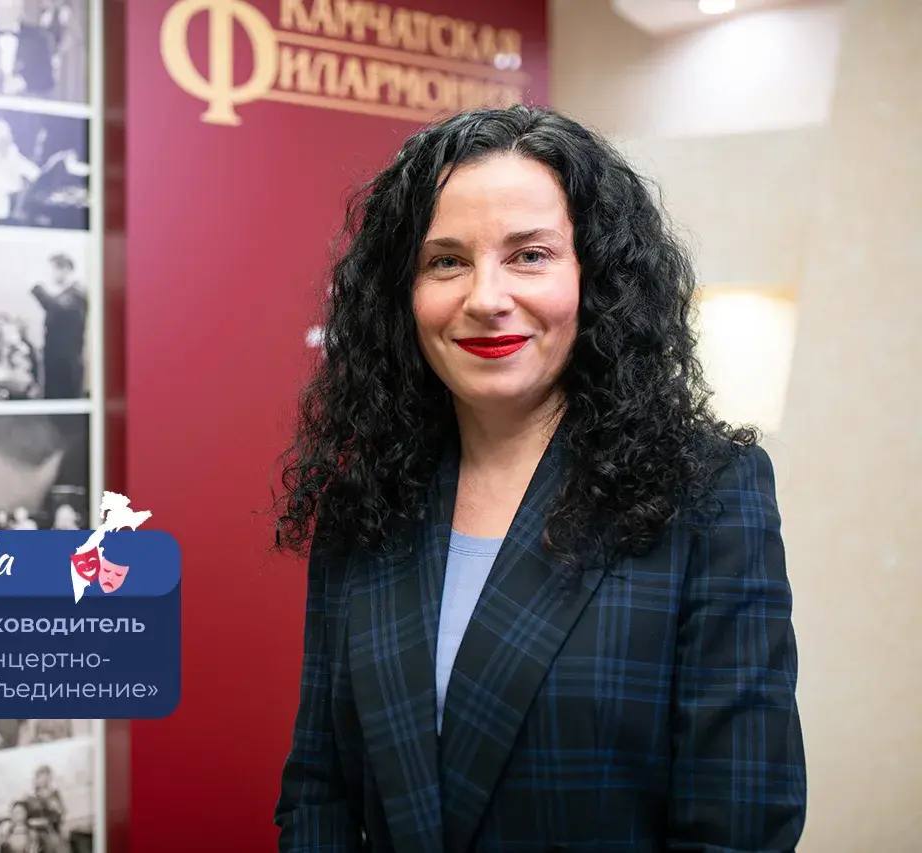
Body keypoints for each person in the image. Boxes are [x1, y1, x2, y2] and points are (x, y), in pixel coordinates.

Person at [272, 106, 806, 851]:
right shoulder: (366, 503)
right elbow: (318, 792)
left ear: (597, 277)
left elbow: (739, 821)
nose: (486, 298)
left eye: (529, 255)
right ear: (402, 293)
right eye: (446, 261)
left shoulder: (709, 495)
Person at [30, 253, 85, 399]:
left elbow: (56, 308)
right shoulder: (65, 295)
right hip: (58, 362)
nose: (51, 275)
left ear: (65, 269)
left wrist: (37, 288)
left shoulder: (77, 293)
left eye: (53, 270)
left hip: (67, 364)